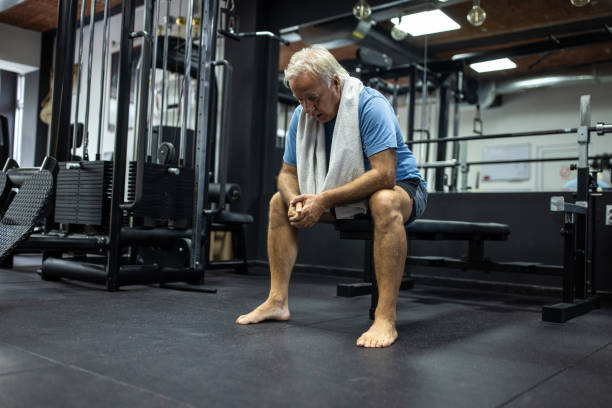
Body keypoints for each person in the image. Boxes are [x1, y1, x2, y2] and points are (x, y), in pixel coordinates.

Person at [236, 47, 427, 348]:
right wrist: (296, 200)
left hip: (403, 187)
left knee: (383, 200)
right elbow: (287, 173)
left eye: (313, 97)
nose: (308, 108)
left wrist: (322, 200)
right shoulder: (302, 117)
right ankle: (277, 301)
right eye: (301, 100)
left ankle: (385, 318)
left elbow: (384, 175)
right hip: (341, 193)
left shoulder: (370, 105)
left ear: (336, 84)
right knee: (278, 202)